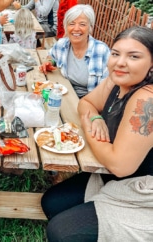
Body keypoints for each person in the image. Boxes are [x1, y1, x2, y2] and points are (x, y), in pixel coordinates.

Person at [41, 26, 153, 242]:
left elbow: (120, 165)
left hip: (141, 192)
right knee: (52, 203)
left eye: (134, 56)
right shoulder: (117, 80)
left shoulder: (146, 100)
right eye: (116, 53)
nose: (120, 62)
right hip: (110, 177)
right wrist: (95, 119)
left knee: (60, 232)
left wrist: (89, 130)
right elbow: (87, 103)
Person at [49, 4, 110, 98]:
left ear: (90, 27)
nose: (76, 29)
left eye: (82, 24)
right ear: (66, 26)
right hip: (64, 95)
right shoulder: (62, 44)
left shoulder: (101, 51)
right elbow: (51, 56)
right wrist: (49, 63)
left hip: (90, 101)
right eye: (72, 24)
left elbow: (107, 89)